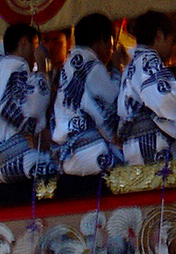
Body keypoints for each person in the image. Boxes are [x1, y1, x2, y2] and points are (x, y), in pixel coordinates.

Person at [117, 10, 176, 164]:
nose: (170, 48)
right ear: (159, 35)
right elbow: (164, 102)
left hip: (133, 147)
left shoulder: (131, 66)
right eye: (170, 41)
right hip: (152, 144)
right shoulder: (148, 60)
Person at [52, 12, 124, 176]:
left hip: (66, 153)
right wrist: (117, 68)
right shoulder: (91, 65)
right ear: (102, 39)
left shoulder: (71, 63)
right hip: (89, 150)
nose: (111, 51)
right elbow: (115, 98)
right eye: (111, 45)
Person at [0, 23, 56, 181]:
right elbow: (31, 106)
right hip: (17, 157)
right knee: (61, 169)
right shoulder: (16, 66)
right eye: (35, 44)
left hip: (1, 158)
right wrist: (42, 70)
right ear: (24, 42)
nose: (36, 51)